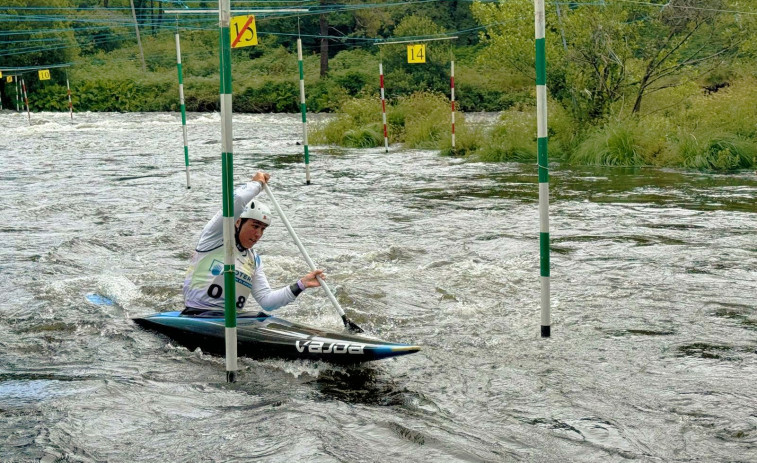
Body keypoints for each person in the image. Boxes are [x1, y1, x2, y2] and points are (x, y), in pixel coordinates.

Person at [182, 171, 323, 316]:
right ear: (238, 222)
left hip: (232, 319)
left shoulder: (253, 260)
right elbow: (236, 200)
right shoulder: (215, 238)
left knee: (263, 316)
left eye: (263, 229)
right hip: (197, 314)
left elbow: (267, 301)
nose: (258, 234)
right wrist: (257, 184)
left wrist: (301, 284)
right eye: (255, 226)